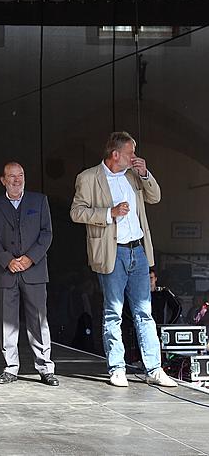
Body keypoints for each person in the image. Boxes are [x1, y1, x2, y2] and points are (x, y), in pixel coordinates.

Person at [70, 131, 176, 387]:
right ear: (115, 154)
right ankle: (116, 368)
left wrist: (145, 174)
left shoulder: (133, 175)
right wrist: (109, 213)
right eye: (130, 153)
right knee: (113, 311)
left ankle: (154, 368)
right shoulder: (88, 178)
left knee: (144, 312)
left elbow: (155, 197)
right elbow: (76, 212)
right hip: (111, 251)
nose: (134, 157)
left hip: (138, 250)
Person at [0, 162, 58, 386]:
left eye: (21, 176)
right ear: (3, 180)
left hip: (34, 270)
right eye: (12, 176)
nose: (17, 180)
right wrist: (8, 260)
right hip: (6, 272)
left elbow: (47, 234)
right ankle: (11, 368)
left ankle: (45, 367)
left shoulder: (39, 200)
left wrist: (29, 258)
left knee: (38, 320)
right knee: (8, 322)